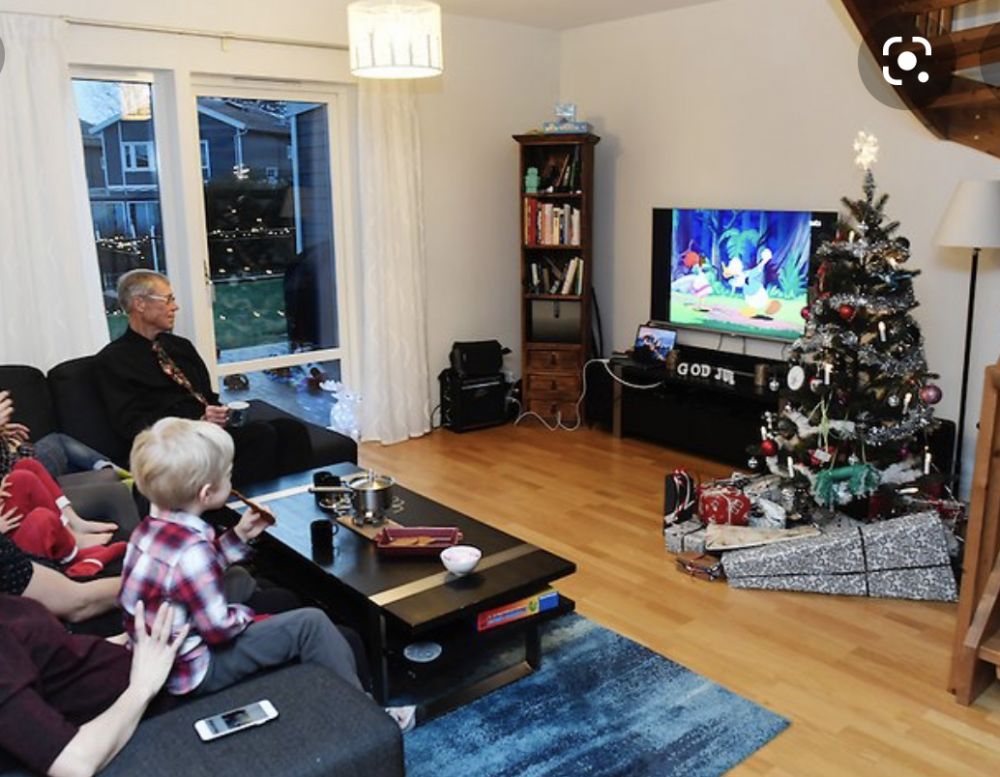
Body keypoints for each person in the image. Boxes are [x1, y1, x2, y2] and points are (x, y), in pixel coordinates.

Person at [119, 417, 415, 730]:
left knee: (269, 597)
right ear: (206, 493)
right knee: (310, 624)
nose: (231, 478)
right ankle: (369, 720)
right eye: (228, 474)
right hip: (196, 669)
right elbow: (219, 628)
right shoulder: (193, 551)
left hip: (159, 659)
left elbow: (190, 579)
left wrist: (239, 536)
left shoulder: (147, 532)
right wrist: (250, 617)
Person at [95, 269, 314, 486]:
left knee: (292, 430)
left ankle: (295, 500)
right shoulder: (113, 360)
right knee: (261, 435)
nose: (175, 307)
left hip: (209, 431)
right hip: (171, 444)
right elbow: (131, 426)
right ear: (140, 304)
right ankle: (238, 504)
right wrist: (195, 422)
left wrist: (221, 414)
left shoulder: (180, 347)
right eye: (168, 299)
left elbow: (207, 396)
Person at [0, 594, 187, 777]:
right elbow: (74, 764)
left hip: (139, 686)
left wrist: (131, 639)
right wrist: (142, 687)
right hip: (137, 724)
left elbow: (50, 657)